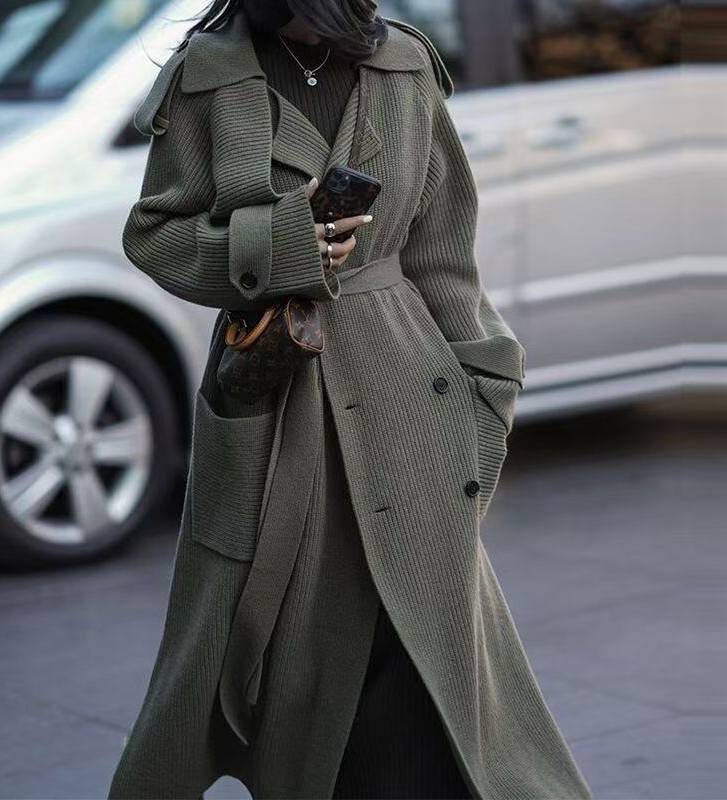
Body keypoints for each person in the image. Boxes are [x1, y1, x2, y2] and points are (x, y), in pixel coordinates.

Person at [107, 2, 594, 799]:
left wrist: (488, 388)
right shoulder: (210, 75)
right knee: (280, 667)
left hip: (411, 397)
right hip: (278, 405)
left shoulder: (403, 65)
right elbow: (155, 234)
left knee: (427, 672)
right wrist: (276, 243)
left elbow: (444, 255)